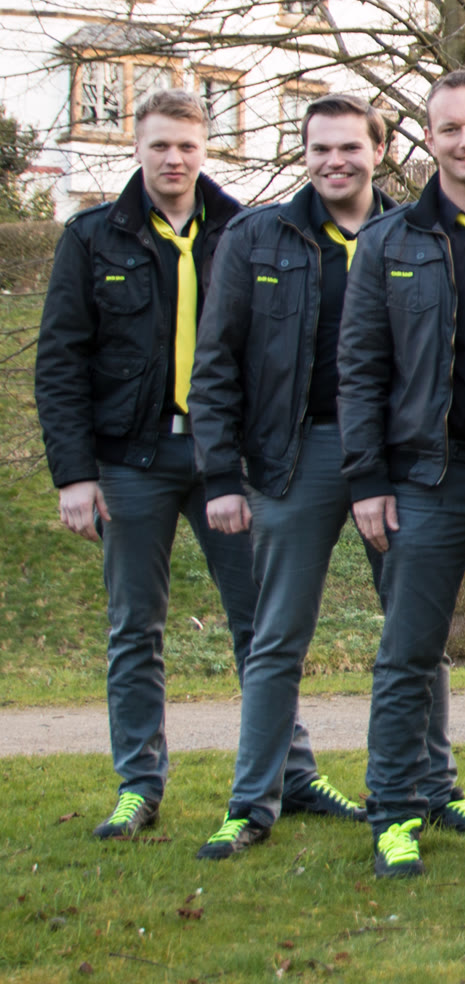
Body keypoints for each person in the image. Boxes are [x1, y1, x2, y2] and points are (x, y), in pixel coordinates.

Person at [35, 88, 308, 844]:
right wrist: (73, 474)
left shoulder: (247, 231)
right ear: (137, 148)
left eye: (187, 145)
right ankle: (138, 785)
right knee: (135, 629)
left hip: (228, 460)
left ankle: (292, 773)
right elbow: (60, 362)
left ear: (204, 148)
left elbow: (274, 352)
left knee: (262, 625)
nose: (174, 159)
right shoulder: (92, 237)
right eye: (159, 145)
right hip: (131, 459)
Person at [187, 94, 413, 858]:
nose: (335, 161)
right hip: (294, 454)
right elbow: (215, 363)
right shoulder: (256, 236)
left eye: (350, 147)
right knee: (275, 637)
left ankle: (427, 791)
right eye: (320, 148)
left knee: (414, 632)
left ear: (379, 151)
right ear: (305, 153)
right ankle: (252, 802)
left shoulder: (413, 234)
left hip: (395, 457)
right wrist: (221, 474)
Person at [340, 70, 465, 877]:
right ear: (428, 138)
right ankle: (394, 812)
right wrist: (366, 478)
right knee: (408, 655)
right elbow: (361, 370)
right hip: (428, 478)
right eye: (450, 128)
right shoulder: (388, 242)